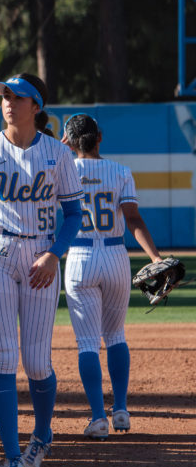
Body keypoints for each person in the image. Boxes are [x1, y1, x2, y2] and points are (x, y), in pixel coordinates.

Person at [0, 74, 84, 467]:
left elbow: (73, 213)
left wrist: (56, 253)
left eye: (18, 97)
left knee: (37, 361)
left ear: (36, 106)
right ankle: (11, 455)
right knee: (3, 359)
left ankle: (41, 436)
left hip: (42, 253)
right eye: (5, 96)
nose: (8, 102)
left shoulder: (57, 154)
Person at [61, 114, 162, 439]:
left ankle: (97, 418)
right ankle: (120, 410)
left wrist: (63, 150)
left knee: (88, 342)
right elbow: (133, 219)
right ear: (100, 137)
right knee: (116, 335)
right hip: (116, 256)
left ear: (70, 142)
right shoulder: (120, 172)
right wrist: (156, 257)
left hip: (80, 257)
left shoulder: (64, 169)